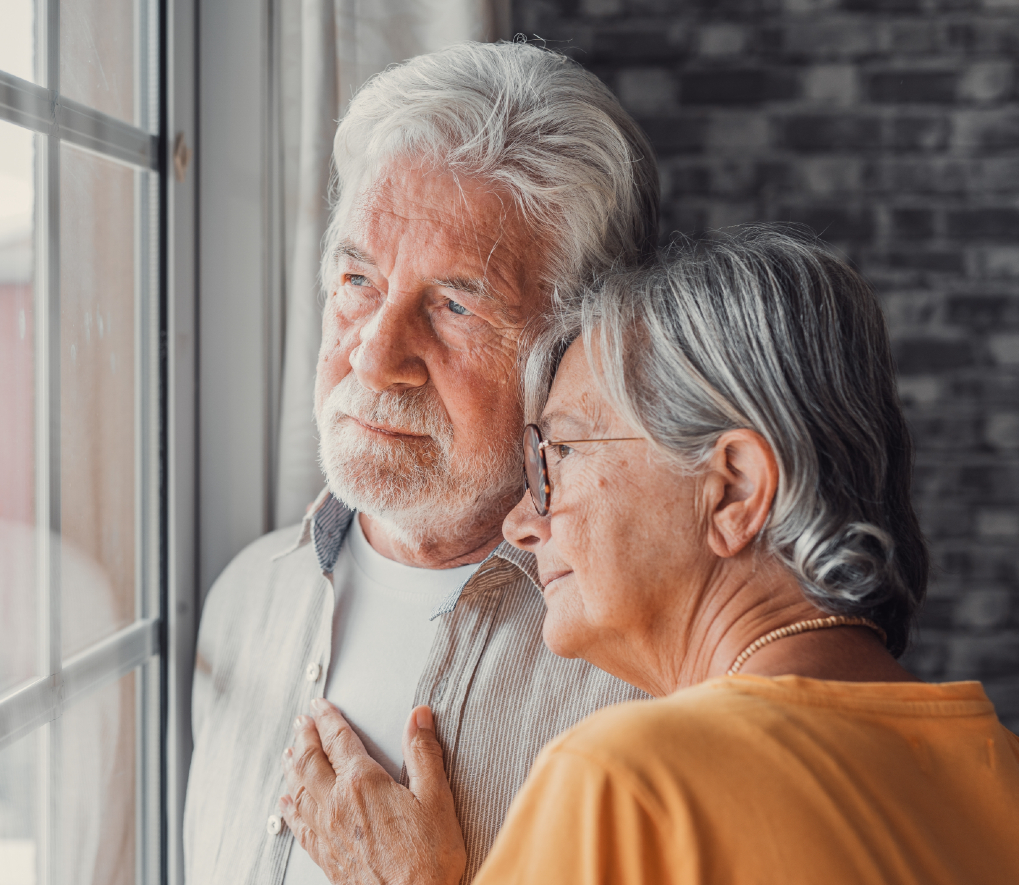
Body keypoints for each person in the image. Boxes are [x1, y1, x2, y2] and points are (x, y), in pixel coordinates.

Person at [277, 227, 1019, 885]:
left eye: (557, 454)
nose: (521, 520)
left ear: (733, 488)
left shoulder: (626, 785)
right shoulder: (1000, 771)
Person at [185, 41, 661, 885]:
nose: (374, 359)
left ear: (573, 353)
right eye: (358, 279)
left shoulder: (650, 686)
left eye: (453, 305)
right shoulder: (243, 599)